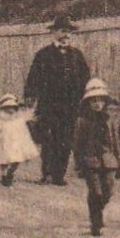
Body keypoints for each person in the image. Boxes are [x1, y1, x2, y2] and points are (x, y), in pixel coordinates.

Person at [24, 15, 91, 185]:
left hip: (70, 106)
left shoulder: (77, 56)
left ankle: (59, 175)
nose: (65, 35)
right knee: (49, 139)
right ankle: (47, 172)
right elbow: (33, 77)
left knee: (66, 139)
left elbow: (86, 79)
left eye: (68, 32)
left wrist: (86, 98)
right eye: (62, 31)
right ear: (54, 33)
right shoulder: (43, 55)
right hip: (49, 105)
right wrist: (30, 97)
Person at [73, 78, 120, 236]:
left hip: (108, 161)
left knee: (108, 191)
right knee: (96, 192)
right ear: (88, 102)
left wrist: (119, 163)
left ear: (105, 102)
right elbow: (77, 145)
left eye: (100, 100)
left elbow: (115, 142)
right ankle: (95, 221)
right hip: (90, 162)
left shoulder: (109, 120)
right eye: (93, 100)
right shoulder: (82, 121)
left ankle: (97, 212)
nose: (97, 104)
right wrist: (79, 165)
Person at [0, 94, 41, 187]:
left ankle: (10, 172)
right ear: (3, 108)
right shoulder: (0, 119)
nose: (10, 110)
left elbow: (27, 120)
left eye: (13, 107)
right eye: (7, 107)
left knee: (17, 159)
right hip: (5, 144)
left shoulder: (18, 118)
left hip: (16, 144)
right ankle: (4, 175)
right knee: (4, 161)